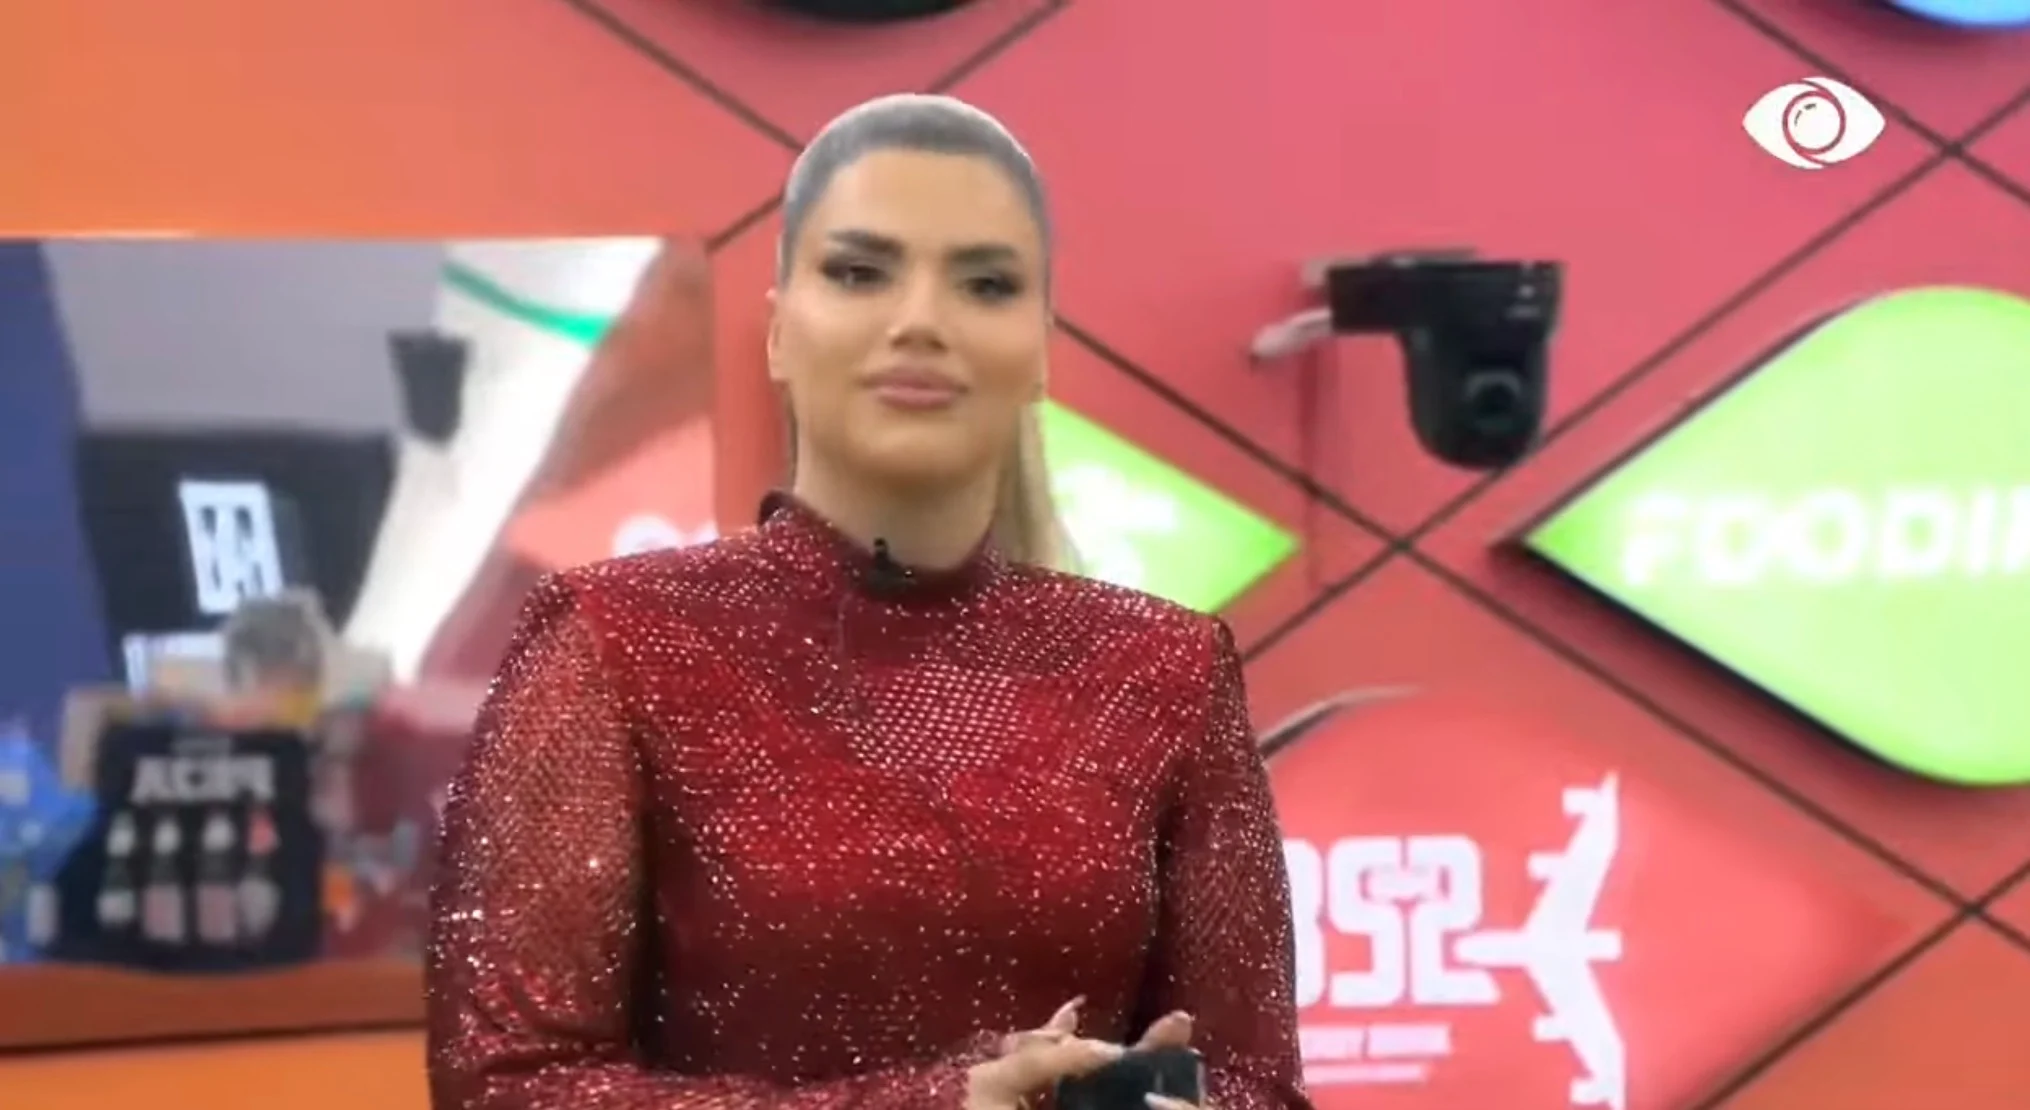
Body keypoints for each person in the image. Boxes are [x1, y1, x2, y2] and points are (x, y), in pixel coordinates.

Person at [425, 93, 1307, 1110]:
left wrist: (1154, 1100)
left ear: (1039, 348)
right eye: (859, 272)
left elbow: (1260, 1083)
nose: (919, 320)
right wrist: (935, 1103)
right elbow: (506, 1085)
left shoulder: (1165, 669)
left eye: (984, 283)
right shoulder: (613, 642)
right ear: (777, 332)